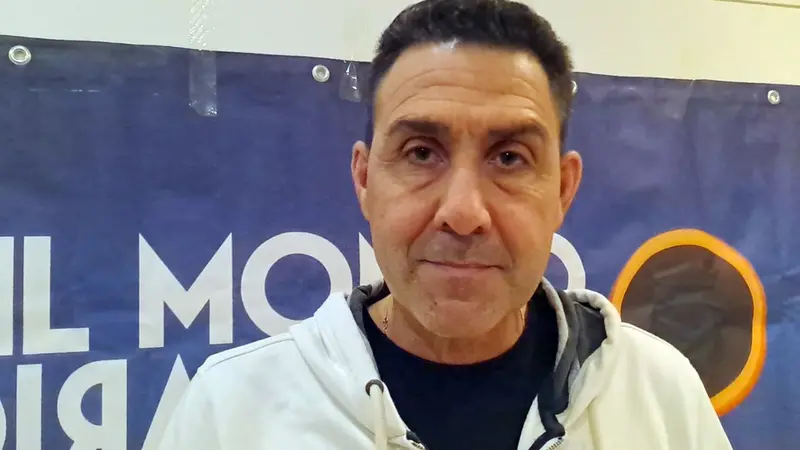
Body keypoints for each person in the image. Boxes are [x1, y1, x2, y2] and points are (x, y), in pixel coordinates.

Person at [158, 0, 734, 449]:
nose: (463, 212)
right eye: (420, 153)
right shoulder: (231, 413)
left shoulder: (658, 395)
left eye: (509, 157)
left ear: (562, 190)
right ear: (365, 179)